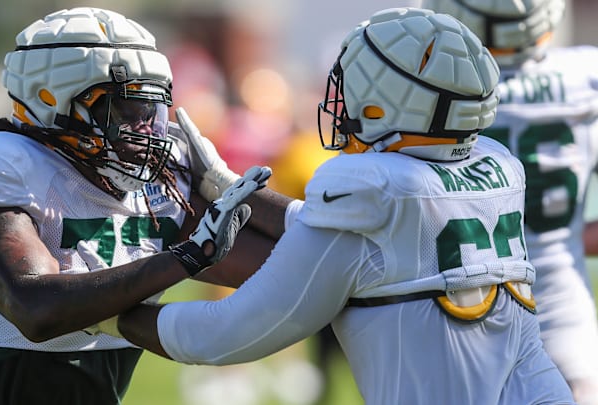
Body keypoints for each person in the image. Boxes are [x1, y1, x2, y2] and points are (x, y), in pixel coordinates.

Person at [116, 7, 576, 405]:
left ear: (388, 103)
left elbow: (226, 332)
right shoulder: (498, 165)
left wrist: (101, 313)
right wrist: (230, 184)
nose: (341, 100)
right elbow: (367, 243)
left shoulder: (369, 185)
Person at [0, 7, 285, 405]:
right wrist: (183, 259)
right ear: (53, 101)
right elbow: (36, 310)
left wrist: (233, 186)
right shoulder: (5, 175)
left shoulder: (156, 191)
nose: (148, 130)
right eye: (127, 111)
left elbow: (304, 266)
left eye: (151, 110)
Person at [422, 1, 598, 403]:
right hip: (558, 313)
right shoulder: (584, 77)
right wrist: (561, 236)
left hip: (452, 312)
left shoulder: (425, 86)